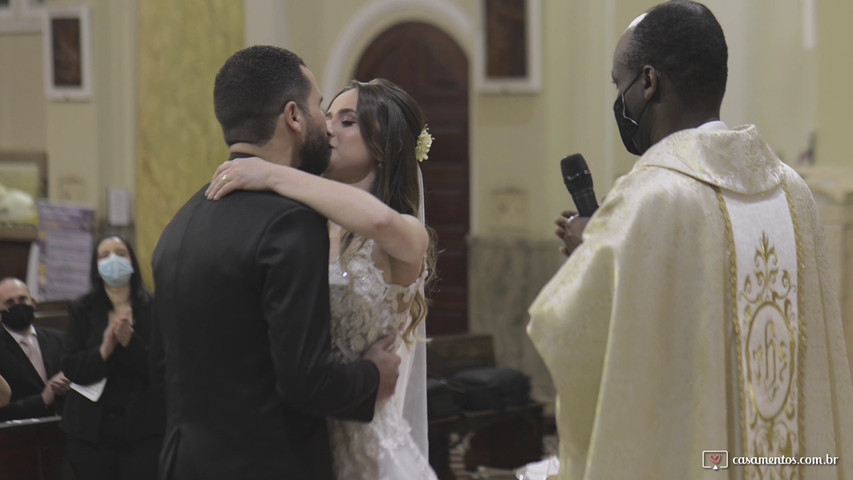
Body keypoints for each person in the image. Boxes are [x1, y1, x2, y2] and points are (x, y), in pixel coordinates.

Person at [527, 2, 853, 479]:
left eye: (620, 85)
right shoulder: (793, 190)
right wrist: (603, 248)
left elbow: (570, 331)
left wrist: (592, 256)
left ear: (649, 82)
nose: (620, 100)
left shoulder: (650, 197)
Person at [151, 45, 401, 480]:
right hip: (265, 463)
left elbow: (162, 367)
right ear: (293, 116)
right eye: (319, 106)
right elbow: (305, 380)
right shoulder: (289, 223)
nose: (326, 125)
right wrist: (370, 377)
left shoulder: (180, 224)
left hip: (182, 463)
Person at [206, 78, 438, 480]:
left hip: (365, 449)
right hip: (299, 442)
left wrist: (272, 174)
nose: (328, 128)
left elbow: (378, 219)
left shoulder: (403, 233)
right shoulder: (303, 226)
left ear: (387, 145)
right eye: (327, 116)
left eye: (346, 121)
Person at [60, 234, 165, 480]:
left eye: (120, 253)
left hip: (143, 428)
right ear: (96, 267)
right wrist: (104, 350)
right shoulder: (81, 308)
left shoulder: (154, 306)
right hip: (90, 432)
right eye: (104, 256)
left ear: (132, 262)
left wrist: (130, 343)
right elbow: (71, 367)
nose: (112, 260)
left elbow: (163, 367)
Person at [0, 277, 69, 421]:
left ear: (33, 303)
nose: (17, 306)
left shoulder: (60, 339)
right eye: (9, 302)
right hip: (20, 436)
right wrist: (42, 399)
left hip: (65, 428)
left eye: (22, 299)